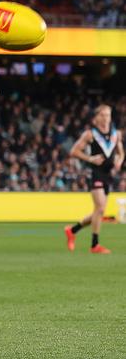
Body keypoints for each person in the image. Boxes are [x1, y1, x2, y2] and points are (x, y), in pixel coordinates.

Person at [65, 105, 123, 254]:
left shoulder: (116, 134)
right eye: (102, 115)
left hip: (108, 174)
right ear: (96, 118)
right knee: (101, 208)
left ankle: (72, 230)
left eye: (108, 115)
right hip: (95, 172)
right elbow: (74, 151)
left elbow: (120, 152)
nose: (105, 118)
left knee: (99, 211)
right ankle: (94, 245)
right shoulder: (90, 134)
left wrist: (119, 160)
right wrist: (90, 158)